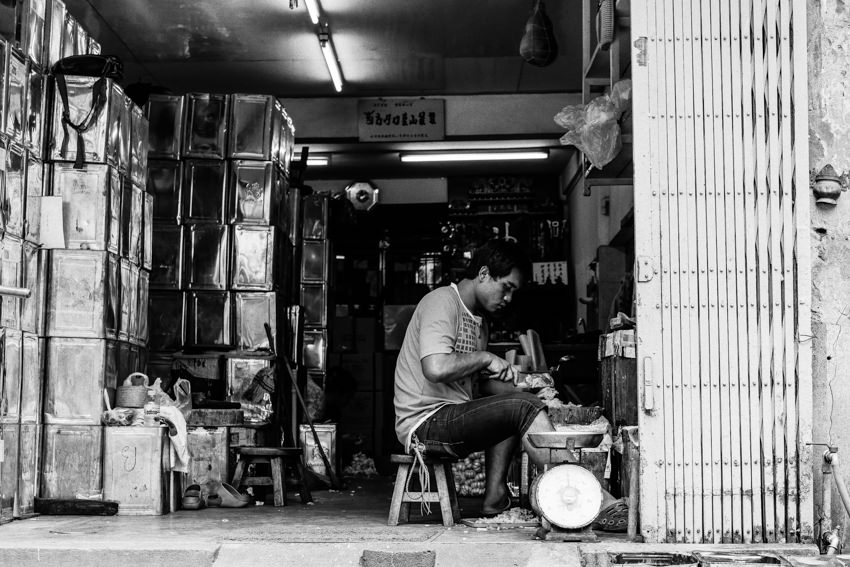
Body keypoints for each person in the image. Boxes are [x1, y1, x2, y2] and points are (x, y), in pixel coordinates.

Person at [393, 238, 568, 517]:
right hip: (425, 423)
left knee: (518, 403)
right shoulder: (441, 302)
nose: (508, 299)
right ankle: (577, 493)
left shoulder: (478, 322)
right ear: (484, 274)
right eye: (506, 288)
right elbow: (436, 368)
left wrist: (522, 386)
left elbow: (473, 388)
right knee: (522, 407)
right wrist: (486, 358)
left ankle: (495, 498)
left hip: (449, 415)